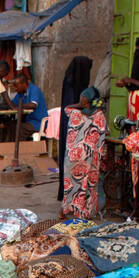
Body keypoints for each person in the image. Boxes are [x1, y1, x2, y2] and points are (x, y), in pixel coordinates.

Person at [62, 87, 107, 220]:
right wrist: (82, 105)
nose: (81, 101)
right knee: (76, 185)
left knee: (85, 185)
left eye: (84, 99)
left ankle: (79, 211)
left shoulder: (94, 115)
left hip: (86, 158)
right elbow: (66, 109)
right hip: (78, 159)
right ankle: (72, 210)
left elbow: (101, 138)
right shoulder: (79, 113)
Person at [57, 56, 92, 201]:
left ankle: (66, 193)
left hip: (69, 127)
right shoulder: (74, 86)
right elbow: (72, 107)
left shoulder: (69, 81)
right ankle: (71, 195)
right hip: (73, 129)